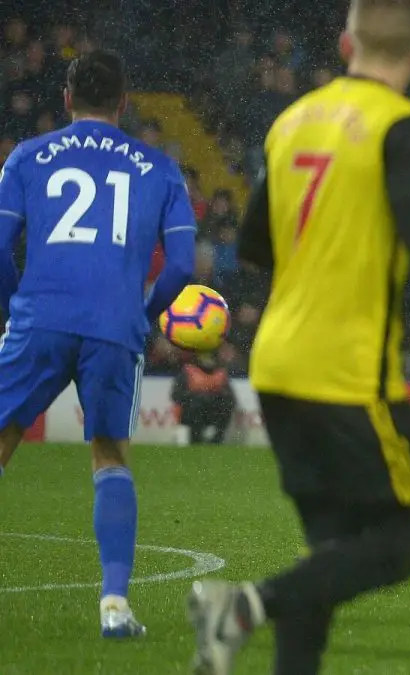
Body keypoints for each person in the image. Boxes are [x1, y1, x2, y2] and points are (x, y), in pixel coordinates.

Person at [185, 1, 410, 673]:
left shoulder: (292, 120)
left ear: (344, 44)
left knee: (328, 550)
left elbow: (253, 243)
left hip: (277, 361)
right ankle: (245, 605)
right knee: (407, 539)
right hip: (348, 369)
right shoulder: (402, 126)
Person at [0, 50, 196, 638]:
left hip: (40, 315)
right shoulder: (160, 167)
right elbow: (181, 266)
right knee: (110, 454)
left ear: (66, 99)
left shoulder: (27, 156)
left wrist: (16, 304)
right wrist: (144, 314)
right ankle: (114, 605)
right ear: (124, 102)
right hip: (115, 325)